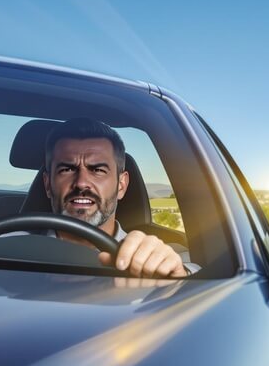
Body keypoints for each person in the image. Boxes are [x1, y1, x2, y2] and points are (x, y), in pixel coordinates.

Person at [13, 117, 194, 278]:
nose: (81, 183)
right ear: (47, 185)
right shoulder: (10, 247)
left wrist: (180, 276)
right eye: (67, 169)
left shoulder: (157, 258)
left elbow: (198, 275)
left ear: (121, 185)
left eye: (98, 170)